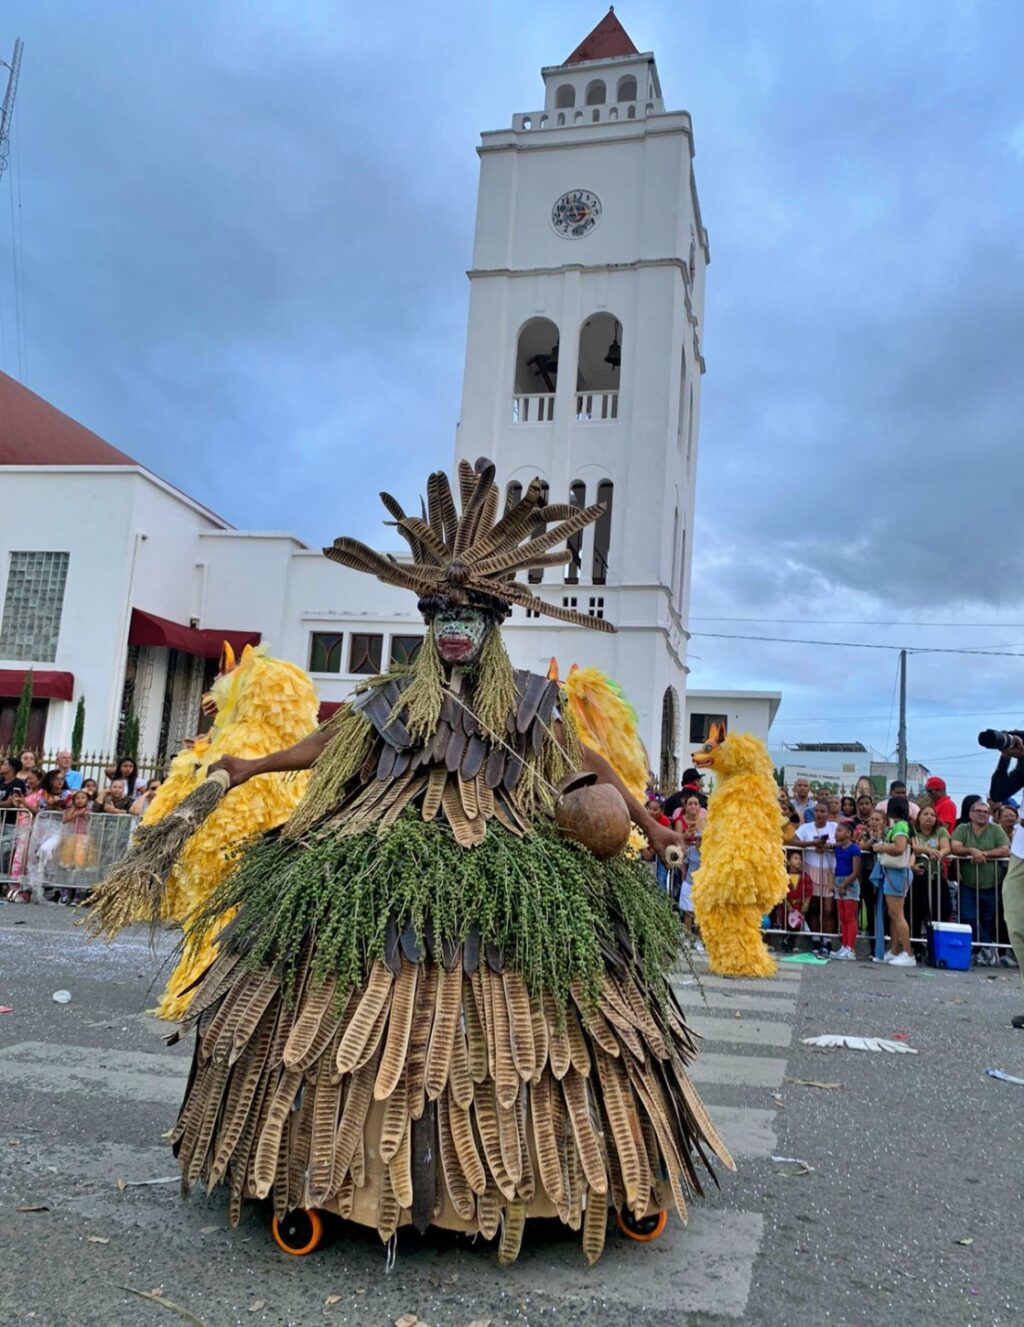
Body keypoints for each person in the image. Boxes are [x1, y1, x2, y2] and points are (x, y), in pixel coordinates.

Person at [99, 457, 730, 1259]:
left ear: (495, 622)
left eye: (471, 613)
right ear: (429, 621)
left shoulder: (532, 704)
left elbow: (593, 771)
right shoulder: (393, 699)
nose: (457, 627)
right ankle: (328, 1173)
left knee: (551, 1002)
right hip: (379, 844)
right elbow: (329, 742)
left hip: (515, 851)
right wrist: (251, 768)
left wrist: (650, 825)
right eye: (443, 613)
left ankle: (553, 1176)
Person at [950, 799, 1009, 965]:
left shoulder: (996, 830)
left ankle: (983, 953)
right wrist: (971, 850)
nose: (982, 814)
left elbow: (1005, 849)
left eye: (985, 812)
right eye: (978, 811)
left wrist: (985, 854)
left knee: (988, 920)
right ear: (970, 814)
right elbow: (955, 847)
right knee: (968, 916)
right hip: (967, 884)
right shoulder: (963, 828)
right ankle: (984, 948)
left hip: (991, 885)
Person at [871, 795, 916, 967]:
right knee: (893, 914)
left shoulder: (900, 826)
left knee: (897, 915)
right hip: (894, 873)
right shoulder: (901, 825)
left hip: (897, 873)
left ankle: (908, 953)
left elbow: (899, 847)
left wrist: (880, 847)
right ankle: (895, 950)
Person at [793, 802, 838, 950]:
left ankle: (827, 940)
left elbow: (845, 841)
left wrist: (829, 846)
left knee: (828, 909)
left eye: (822, 811)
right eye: (817, 811)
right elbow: (793, 841)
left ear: (827, 813)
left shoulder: (833, 827)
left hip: (828, 871)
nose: (819, 814)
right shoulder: (806, 828)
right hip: (811, 869)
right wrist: (812, 843)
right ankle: (816, 939)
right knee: (813, 907)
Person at [912, 804, 952, 931]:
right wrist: (927, 850)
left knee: (942, 909)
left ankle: (936, 942)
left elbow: (946, 847)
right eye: (925, 814)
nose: (929, 817)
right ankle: (916, 944)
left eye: (933, 815)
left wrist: (941, 853)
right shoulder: (912, 830)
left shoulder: (940, 831)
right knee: (916, 911)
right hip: (917, 877)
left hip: (937, 876)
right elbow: (914, 847)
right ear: (919, 818)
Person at [676, 793, 704, 950]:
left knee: (699, 915)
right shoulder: (691, 851)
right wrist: (683, 879)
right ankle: (686, 938)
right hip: (689, 883)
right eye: (698, 840)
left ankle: (698, 940)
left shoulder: (707, 853)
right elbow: (684, 865)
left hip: (701, 886)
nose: (699, 842)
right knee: (688, 913)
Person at [831, 821, 861, 960]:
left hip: (849, 882)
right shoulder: (838, 847)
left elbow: (856, 872)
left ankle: (851, 948)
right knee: (842, 916)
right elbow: (827, 846)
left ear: (848, 833)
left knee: (850, 916)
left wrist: (843, 885)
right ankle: (844, 945)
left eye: (839, 830)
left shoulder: (854, 849)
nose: (836, 833)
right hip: (838, 880)